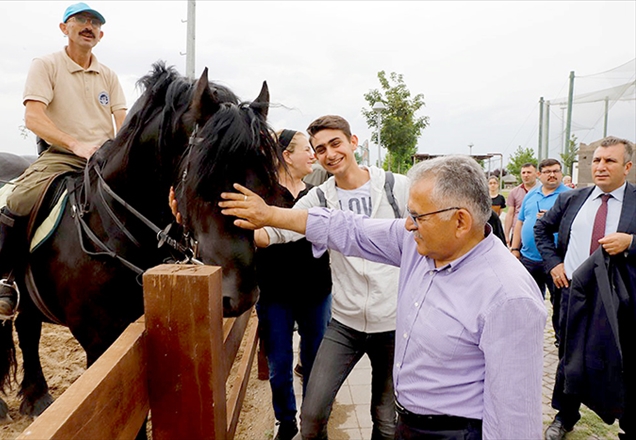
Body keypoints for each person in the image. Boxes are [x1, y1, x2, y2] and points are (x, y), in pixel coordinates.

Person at [220, 154, 547, 439]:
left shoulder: (508, 296)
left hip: (455, 432)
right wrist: (270, 215)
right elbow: (349, 229)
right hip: (411, 424)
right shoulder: (418, 247)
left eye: (418, 217)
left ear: (460, 220)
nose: (407, 225)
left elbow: (513, 419)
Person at [256, 115, 409, 440]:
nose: (329, 153)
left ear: (353, 143)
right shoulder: (321, 197)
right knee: (311, 416)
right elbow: (275, 231)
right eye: (320, 148)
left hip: (393, 323)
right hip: (345, 323)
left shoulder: (397, 187)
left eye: (335, 143)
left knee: (384, 418)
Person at [0, 2, 126, 320]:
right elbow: (33, 117)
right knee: (20, 198)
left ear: (101, 35)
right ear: (64, 28)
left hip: (102, 159)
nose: (89, 26)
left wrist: (116, 151)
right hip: (61, 156)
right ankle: (5, 283)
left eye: (95, 23)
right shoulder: (46, 65)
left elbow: (122, 122)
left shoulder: (109, 75)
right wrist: (75, 144)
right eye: (80, 20)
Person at [534, 137, 635, 440]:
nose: (601, 167)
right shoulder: (572, 199)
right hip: (573, 295)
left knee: (624, 358)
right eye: (597, 160)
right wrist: (554, 263)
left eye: (610, 161)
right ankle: (564, 417)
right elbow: (541, 229)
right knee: (570, 357)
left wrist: (631, 243)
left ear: (627, 167)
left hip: (620, 298)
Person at [256, 129, 332, 440]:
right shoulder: (262, 196)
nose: (314, 155)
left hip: (316, 291)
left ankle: (313, 424)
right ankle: (285, 422)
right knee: (279, 365)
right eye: (308, 149)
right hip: (274, 294)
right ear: (287, 155)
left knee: (316, 362)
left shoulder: (318, 193)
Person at [510, 159, 570, 300]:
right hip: (529, 259)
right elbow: (520, 222)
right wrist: (514, 249)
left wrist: (553, 219)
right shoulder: (531, 194)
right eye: (547, 172)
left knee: (560, 303)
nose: (552, 175)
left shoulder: (570, 195)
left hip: (556, 260)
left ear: (561, 173)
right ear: (539, 174)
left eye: (556, 171)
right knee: (529, 301)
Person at [503, 162, 538, 245]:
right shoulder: (514, 192)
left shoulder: (542, 191)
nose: (526, 175)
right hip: (517, 233)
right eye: (523, 172)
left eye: (529, 172)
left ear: (536, 174)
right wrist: (506, 235)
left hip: (536, 233)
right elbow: (510, 214)